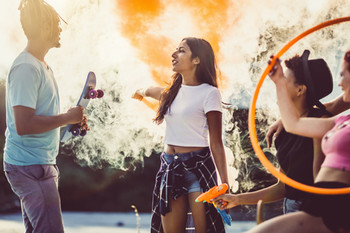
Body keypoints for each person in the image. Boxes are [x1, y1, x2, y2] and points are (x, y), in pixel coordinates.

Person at [242, 50, 350, 233]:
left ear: (301, 89)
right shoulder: (338, 122)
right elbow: (294, 123)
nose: (339, 83)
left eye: (343, 75)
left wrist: (279, 83)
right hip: (315, 204)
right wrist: (278, 82)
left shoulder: (323, 119)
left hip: (331, 205)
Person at [213, 51, 333, 214]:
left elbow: (323, 184)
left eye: (284, 80)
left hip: (315, 212)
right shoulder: (282, 132)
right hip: (291, 208)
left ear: (300, 90)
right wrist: (237, 199)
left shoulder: (322, 125)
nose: (278, 84)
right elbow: (283, 187)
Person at [3, 1, 86, 232]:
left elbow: (41, 115)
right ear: (43, 27)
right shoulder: (26, 68)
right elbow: (24, 124)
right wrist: (66, 118)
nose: (60, 29)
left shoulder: (41, 65)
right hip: (29, 166)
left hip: (39, 164)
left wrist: (71, 119)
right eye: (56, 24)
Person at [132, 37, 229, 233]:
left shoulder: (210, 93)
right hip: (170, 167)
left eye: (182, 51)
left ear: (197, 60)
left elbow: (216, 143)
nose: (173, 54)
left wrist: (225, 185)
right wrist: (139, 92)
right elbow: (148, 90)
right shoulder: (171, 92)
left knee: (204, 230)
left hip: (198, 168)